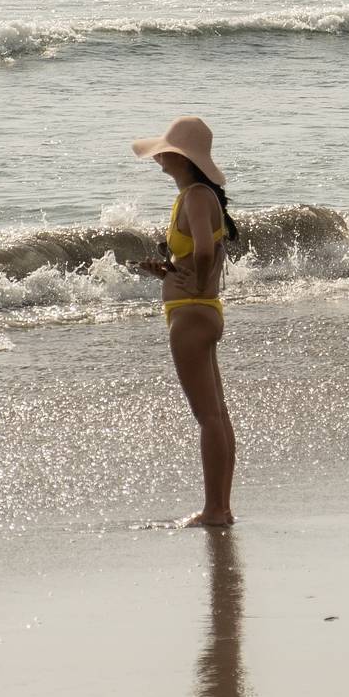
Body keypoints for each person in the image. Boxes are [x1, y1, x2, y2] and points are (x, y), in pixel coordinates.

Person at [131, 116, 237, 526]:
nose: (159, 160)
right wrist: (168, 271)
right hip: (200, 310)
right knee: (218, 414)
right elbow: (199, 250)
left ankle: (214, 509)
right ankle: (221, 508)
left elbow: (207, 252)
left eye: (165, 154)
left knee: (208, 417)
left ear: (183, 158)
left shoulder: (195, 196)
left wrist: (199, 278)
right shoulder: (200, 196)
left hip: (191, 314)